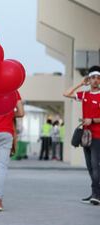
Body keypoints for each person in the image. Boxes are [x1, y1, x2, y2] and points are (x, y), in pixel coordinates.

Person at [63, 65, 100, 205]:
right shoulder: (84, 94)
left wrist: (93, 120)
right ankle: (95, 193)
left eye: (98, 78)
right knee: (90, 166)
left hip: (98, 136)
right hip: (86, 136)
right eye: (93, 78)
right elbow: (66, 94)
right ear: (89, 79)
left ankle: (97, 194)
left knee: (96, 167)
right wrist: (80, 84)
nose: (95, 80)